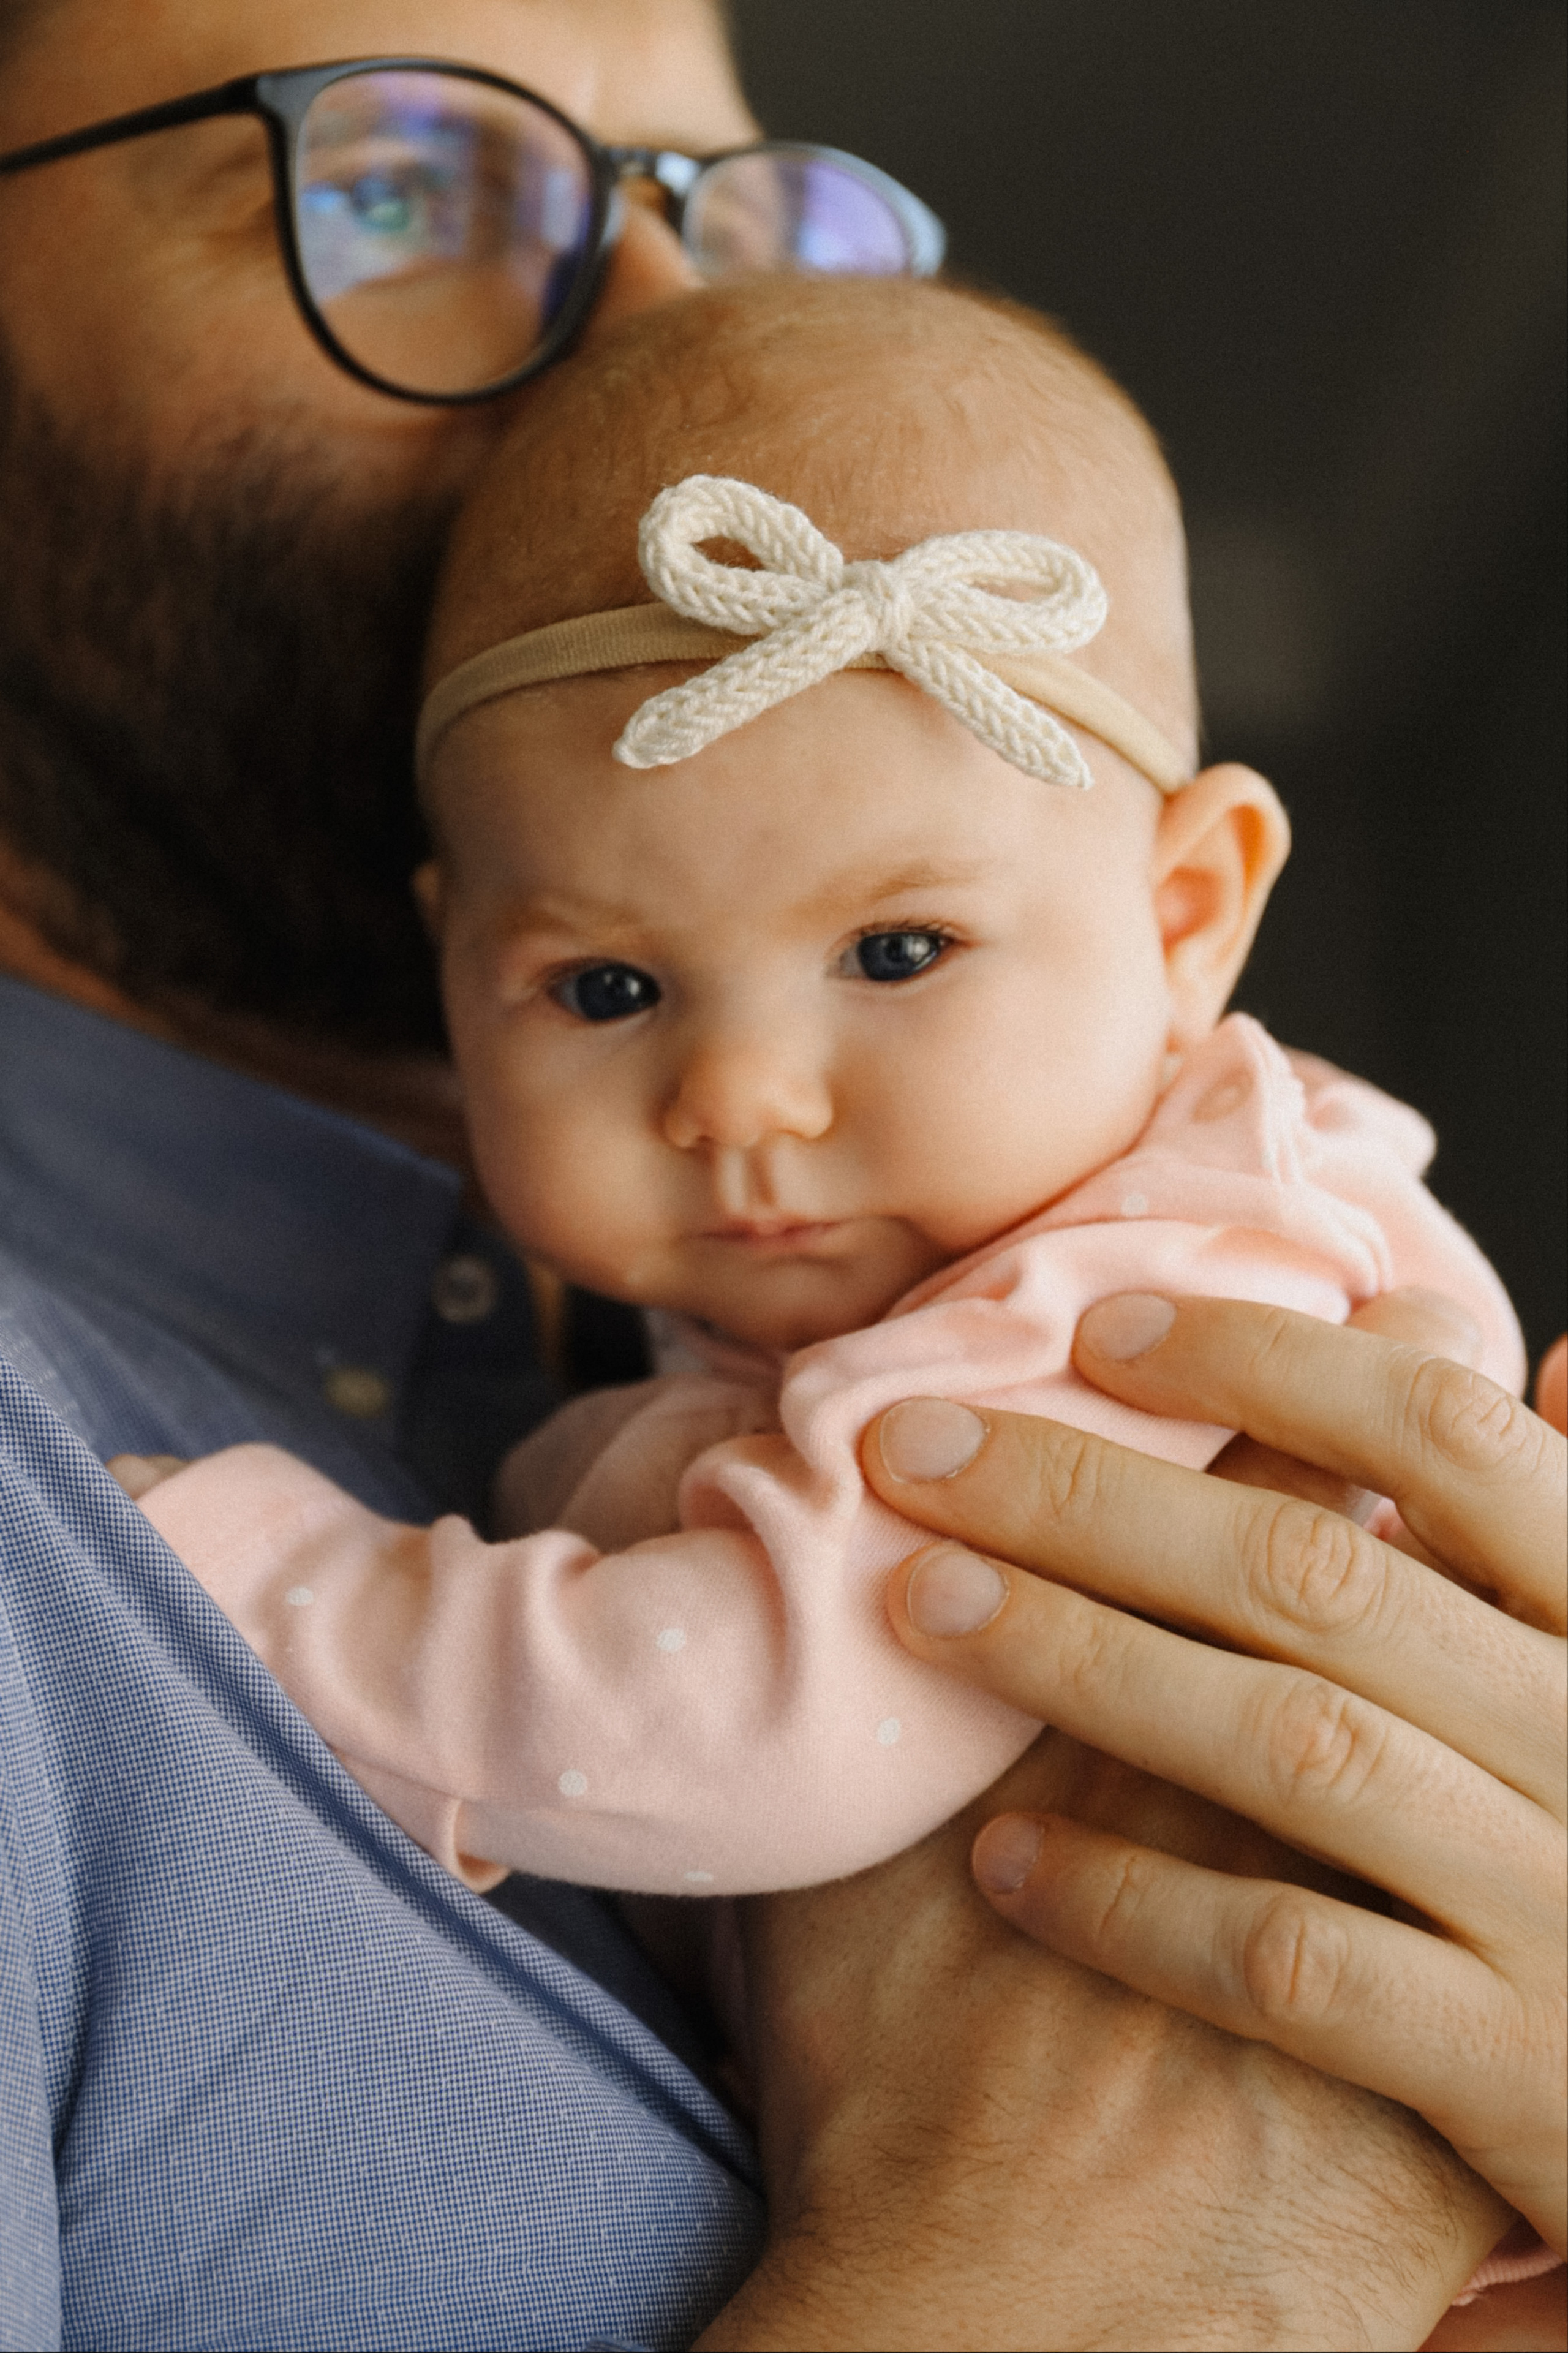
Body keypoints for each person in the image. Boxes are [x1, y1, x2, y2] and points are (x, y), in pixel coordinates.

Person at [0, 2, 1561, 2346]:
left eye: (735, 210)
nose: (678, 332)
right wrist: (1088, 2266)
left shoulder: (1023, 1275)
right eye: (404, 184)